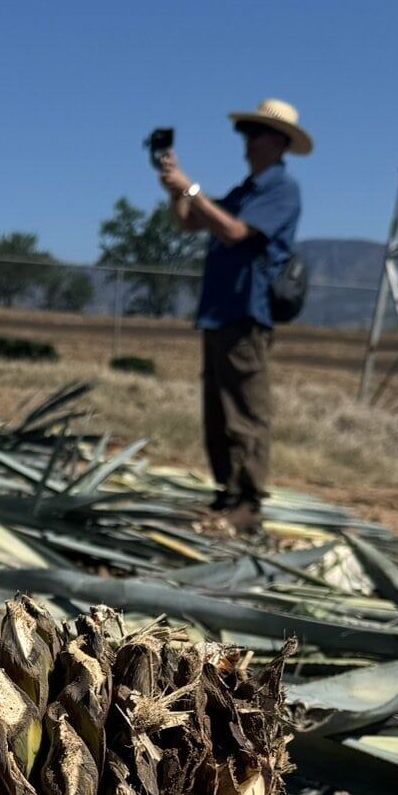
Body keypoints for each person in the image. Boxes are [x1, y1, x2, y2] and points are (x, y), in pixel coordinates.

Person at [156, 99, 312, 532]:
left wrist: (190, 190)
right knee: (218, 411)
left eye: (255, 133)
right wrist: (175, 189)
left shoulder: (282, 190)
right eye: (246, 132)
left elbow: (234, 231)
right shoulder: (246, 191)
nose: (247, 141)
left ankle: (248, 502)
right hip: (220, 311)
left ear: (279, 143)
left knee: (246, 410)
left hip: (247, 311)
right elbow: (190, 222)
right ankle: (226, 493)